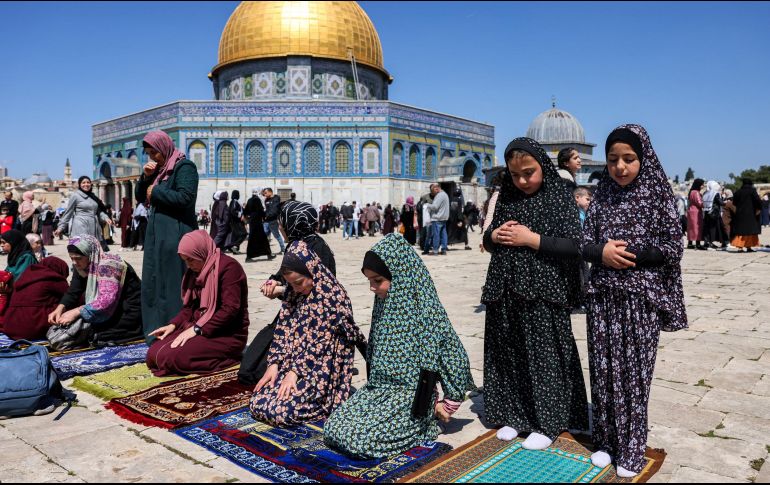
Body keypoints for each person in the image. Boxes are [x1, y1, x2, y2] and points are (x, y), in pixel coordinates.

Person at [582, 125, 687, 478]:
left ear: (644, 158)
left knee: (634, 376)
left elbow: (673, 247)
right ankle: (605, 441)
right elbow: (585, 241)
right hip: (603, 296)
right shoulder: (602, 195)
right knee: (604, 370)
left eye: (629, 159)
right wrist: (601, 253)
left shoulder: (657, 194)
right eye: (613, 160)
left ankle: (630, 447)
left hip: (640, 298)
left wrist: (633, 256)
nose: (620, 167)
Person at [324, 234, 475, 458]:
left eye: (377, 280)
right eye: (369, 281)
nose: (372, 288)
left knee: (360, 441)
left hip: (411, 399)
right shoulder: (384, 305)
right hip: (378, 392)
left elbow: (454, 356)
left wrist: (448, 404)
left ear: (400, 275)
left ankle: (426, 426)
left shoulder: (427, 313)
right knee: (333, 427)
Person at [482, 137, 588, 451]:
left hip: (544, 289)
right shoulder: (508, 196)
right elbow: (489, 240)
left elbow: (575, 245)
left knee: (544, 355)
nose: (523, 181)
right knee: (509, 351)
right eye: (515, 175)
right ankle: (514, 414)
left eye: (529, 173)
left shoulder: (560, 196)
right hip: (507, 287)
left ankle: (548, 421)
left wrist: (531, 239)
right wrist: (493, 235)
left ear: (543, 165)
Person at [250, 241, 364, 427]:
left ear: (312, 271)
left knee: (282, 413)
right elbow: (283, 329)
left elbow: (321, 344)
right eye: (290, 284)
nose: (295, 289)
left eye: (298, 283)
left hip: (320, 369)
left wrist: (295, 372)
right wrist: (274, 364)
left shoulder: (332, 297)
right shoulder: (294, 294)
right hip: (294, 363)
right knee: (258, 402)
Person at [239, 201, 338, 387]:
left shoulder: (318, 249)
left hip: (311, 322)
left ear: (294, 224)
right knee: (249, 367)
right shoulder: (295, 245)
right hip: (289, 315)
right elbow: (282, 275)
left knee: (259, 372)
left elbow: (319, 292)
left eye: (282, 224)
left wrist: (282, 291)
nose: (280, 228)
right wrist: (273, 282)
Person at [147, 230, 249, 376]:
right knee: (153, 353)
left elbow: (230, 310)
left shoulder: (229, 268)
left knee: (171, 358)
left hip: (226, 333)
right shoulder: (196, 271)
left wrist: (197, 329)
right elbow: (189, 308)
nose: (188, 265)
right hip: (200, 326)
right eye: (185, 260)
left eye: (191, 259)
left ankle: (229, 358)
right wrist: (173, 325)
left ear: (201, 252)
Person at [136, 130, 199, 342]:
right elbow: (140, 196)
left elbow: (186, 198)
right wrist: (145, 178)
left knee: (173, 282)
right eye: (148, 154)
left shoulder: (184, 167)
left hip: (176, 235)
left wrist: (155, 192)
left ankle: (176, 327)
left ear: (164, 148)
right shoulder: (158, 171)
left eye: (154, 152)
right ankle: (155, 328)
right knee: (155, 280)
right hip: (157, 236)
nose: (152, 157)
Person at [46, 235, 143, 351]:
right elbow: (74, 290)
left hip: (129, 309)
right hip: (109, 308)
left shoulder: (110, 265)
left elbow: (106, 300)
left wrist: (77, 311)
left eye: (78, 258)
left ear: (90, 254)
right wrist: (60, 307)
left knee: (100, 334)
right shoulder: (82, 266)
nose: (74, 262)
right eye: (71, 258)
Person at [1, 257, 70, 341]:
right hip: (30, 329)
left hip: (9, 326)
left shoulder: (25, 277)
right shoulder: (53, 278)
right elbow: (73, 296)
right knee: (68, 305)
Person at [56, 176, 111, 249]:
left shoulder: (93, 196)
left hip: (94, 226)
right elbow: (68, 213)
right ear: (79, 184)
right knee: (81, 249)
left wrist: (106, 217)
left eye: (88, 182)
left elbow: (98, 211)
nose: (86, 184)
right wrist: (60, 227)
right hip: (80, 226)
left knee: (93, 251)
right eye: (83, 183)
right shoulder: (75, 196)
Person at [730, 179, 762, 252]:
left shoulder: (738, 192)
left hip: (740, 214)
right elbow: (758, 201)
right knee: (750, 231)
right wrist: (759, 208)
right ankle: (748, 247)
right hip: (751, 214)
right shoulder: (752, 191)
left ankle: (740, 247)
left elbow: (734, 203)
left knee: (741, 231)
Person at [244, 188, 272, 262]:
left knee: (254, 238)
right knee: (262, 238)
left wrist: (248, 217)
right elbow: (260, 210)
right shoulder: (257, 200)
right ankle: (268, 254)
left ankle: (268, 254)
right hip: (257, 222)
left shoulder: (249, 200)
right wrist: (264, 217)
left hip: (252, 222)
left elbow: (246, 211)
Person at [702, 181, 726, 249]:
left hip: (706, 213)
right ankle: (723, 242)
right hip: (714, 213)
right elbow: (721, 203)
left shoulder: (705, 193)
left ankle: (707, 242)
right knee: (718, 228)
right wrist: (724, 200)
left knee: (708, 229)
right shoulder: (716, 193)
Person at [427, 184, 449, 255]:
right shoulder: (445, 194)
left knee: (436, 235)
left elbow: (435, 207)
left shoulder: (440, 195)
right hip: (443, 218)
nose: (432, 193)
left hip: (437, 218)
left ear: (437, 188)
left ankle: (435, 250)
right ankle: (444, 250)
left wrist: (427, 205)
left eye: (432, 191)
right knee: (443, 235)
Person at [263, 188, 286, 254]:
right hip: (266, 221)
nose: (265, 195)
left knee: (276, 235)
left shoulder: (276, 199)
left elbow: (275, 210)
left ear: (270, 192)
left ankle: (283, 249)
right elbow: (267, 209)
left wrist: (268, 215)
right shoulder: (266, 200)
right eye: (264, 193)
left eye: (266, 193)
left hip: (273, 221)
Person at [225, 190, 247, 254]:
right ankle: (233, 246)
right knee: (243, 234)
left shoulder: (236, 201)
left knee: (237, 235)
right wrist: (240, 215)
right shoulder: (234, 201)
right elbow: (233, 211)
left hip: (237, 221)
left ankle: (235, 249)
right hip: (236, 221)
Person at [686, 178, 706, 250]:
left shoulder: (691, 192)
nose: (703, 186)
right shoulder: (696, 192)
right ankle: (698, 244)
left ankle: (690, 243)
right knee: (697, 227)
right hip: (696, 212)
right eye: (702, 185)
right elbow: (699, 203)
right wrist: (705, 205)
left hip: (690, 211)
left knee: (691, 228)